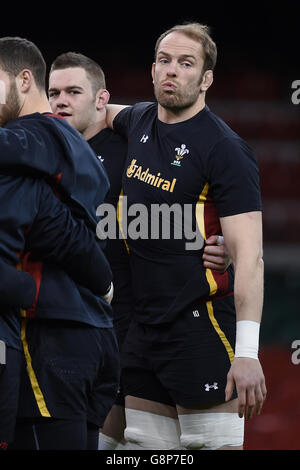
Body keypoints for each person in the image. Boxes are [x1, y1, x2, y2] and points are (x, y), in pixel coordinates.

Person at [47, 51, 231, 450]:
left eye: (73, 91)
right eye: (54, 92)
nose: (61, 100)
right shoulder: (40, 154)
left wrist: (223, 243)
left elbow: (198, 192)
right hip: (62, 331)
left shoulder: (131, 145)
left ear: (99, 99)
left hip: (129, 332)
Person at [105, 22, 267, 450]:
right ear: (152, 69)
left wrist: (247, 352)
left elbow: (250, 257)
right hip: (142, 331)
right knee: (141, 451)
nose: (171, 70)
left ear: (207, 78)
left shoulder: (224, 148)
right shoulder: (137, 119)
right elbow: (95, 111)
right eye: (164, 60)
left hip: (200, 329)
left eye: (185, 63)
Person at [0, 36, 119, 450]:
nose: (64, 101)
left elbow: (44, 230)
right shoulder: (76, 145)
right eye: (59, 92)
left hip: (46, 331)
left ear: (23, 80)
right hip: (93, 330)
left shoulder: (28, 138)